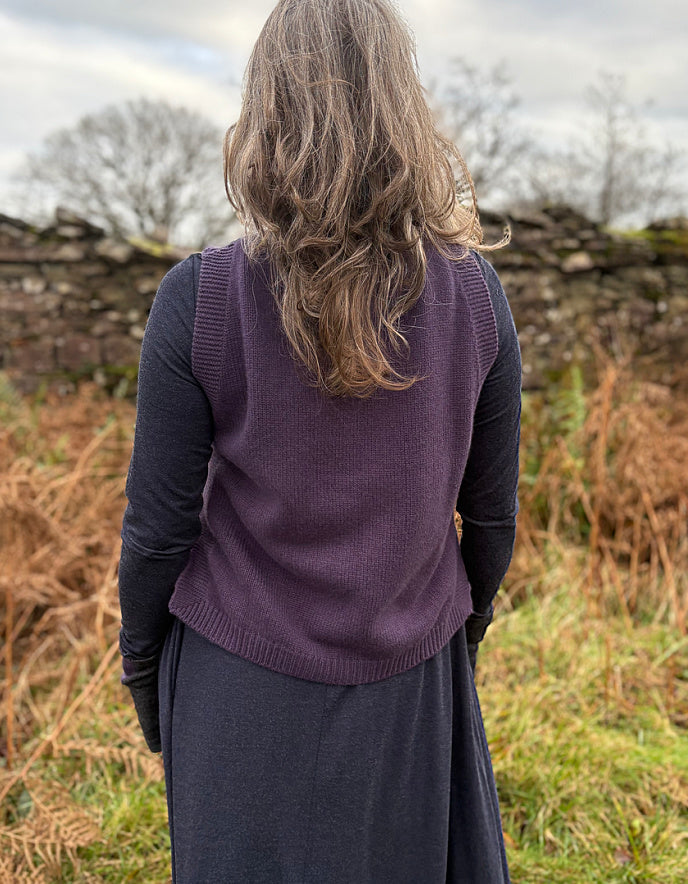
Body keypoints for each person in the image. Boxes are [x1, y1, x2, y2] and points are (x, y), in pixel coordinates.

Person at [117, 0, 521, 881]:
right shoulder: (478, 297)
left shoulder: (199, 300)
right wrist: (463, 628)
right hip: (412, 681)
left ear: (266, 110)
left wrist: (145, 673)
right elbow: (491, 519)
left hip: (238, 693)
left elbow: (156, 534)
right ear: (402, 110)